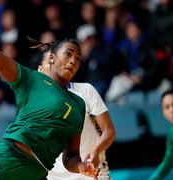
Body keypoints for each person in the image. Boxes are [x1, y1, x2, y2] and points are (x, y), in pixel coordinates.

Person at [0, 40, 99, 180]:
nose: (73, 61)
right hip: (6, 158)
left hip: (37, 173)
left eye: (78, 59)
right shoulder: (32, 79)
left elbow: (71, 156)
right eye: (68, 54)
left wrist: (81, 166)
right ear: (52, 57)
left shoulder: (79, 104)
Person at [35, 47, 116, 180]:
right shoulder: (33, 102)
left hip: (90, 172)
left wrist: (96, 151)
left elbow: (109, 131)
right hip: (53, 176)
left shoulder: (85, 90)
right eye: (50, 63)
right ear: (39, 69)